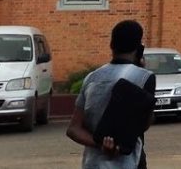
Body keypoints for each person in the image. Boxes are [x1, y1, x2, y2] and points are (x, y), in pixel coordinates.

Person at [66, 20, 156, 169]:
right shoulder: (144, 77)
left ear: (111, 45)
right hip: (129, 163)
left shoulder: (91, 78)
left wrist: (99, 142)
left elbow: (73, 129)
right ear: (138, 47)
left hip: (92, 164)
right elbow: (144, 124)